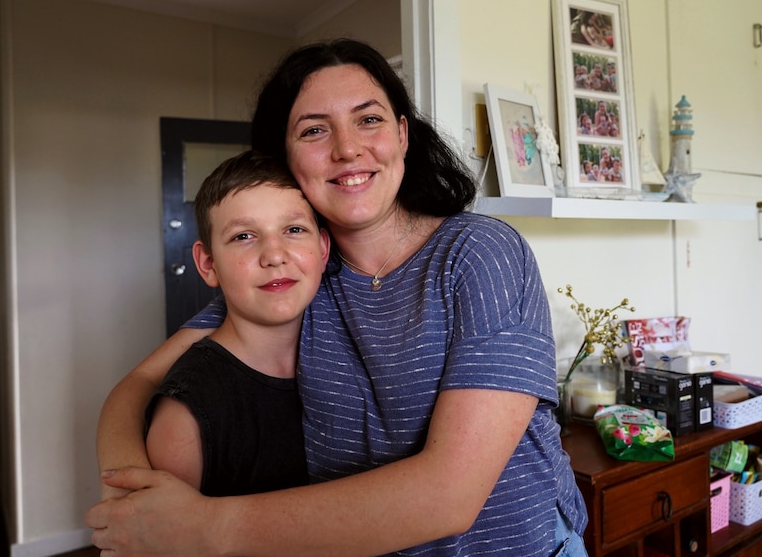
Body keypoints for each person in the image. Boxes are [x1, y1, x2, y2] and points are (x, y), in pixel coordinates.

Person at [87, 38, 588, 557]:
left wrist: (204, 526)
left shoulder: (480, 253)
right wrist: (129, 503)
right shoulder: (299, 275)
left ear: (401, 133)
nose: (347, 148)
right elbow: (140, 383)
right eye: (314, 129)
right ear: (285, 157)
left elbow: (449, 496)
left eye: (368, 120)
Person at [145, 151, 329, 497]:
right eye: (244, 236)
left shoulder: (347, 360)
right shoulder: (185, 417)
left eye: (294, 229)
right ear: (208, 264)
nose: (274, 255)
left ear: (322, 249)